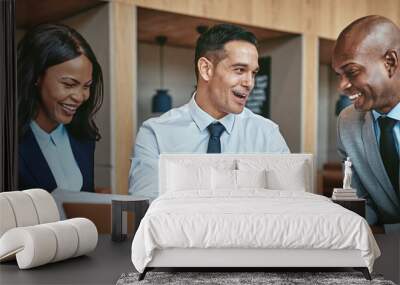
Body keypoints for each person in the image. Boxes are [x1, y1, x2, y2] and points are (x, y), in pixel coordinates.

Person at [129, 24, 289, 200]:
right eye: (240, 70)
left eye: (253, 73)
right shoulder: (155, 134)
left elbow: (288, 204)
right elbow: (148, 210)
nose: (250, 83)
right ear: (206, 69)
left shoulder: (268, 135)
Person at [333, 15, 400, 232]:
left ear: (390, 62)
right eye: (339, 75)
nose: (342, 86)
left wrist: (384, 231)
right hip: (381, 253)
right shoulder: (347, 122)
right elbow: (361, 203)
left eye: (351, 72)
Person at [18, 23, 104, 193]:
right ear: (36, 76)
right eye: (69, 84)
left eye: (86, 86)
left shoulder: (84, 139)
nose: (80, 97)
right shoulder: (10, 142)